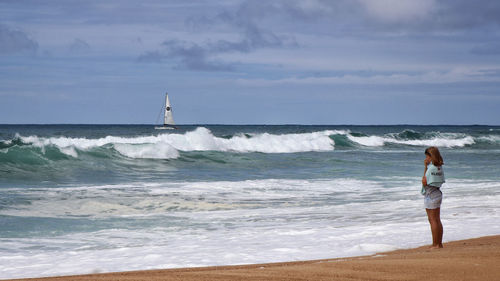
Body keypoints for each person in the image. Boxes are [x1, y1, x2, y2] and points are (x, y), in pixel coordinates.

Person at [421, 146, 445, 249]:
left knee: (432, 220)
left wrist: (425, 167)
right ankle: (439, 243)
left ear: (431, 156)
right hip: (437, 193)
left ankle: (435, 244)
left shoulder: (431, 168)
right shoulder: (439, 167)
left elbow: (424, 181)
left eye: (427, 156)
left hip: (430, 194)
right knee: (437, 219)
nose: (426, 158)